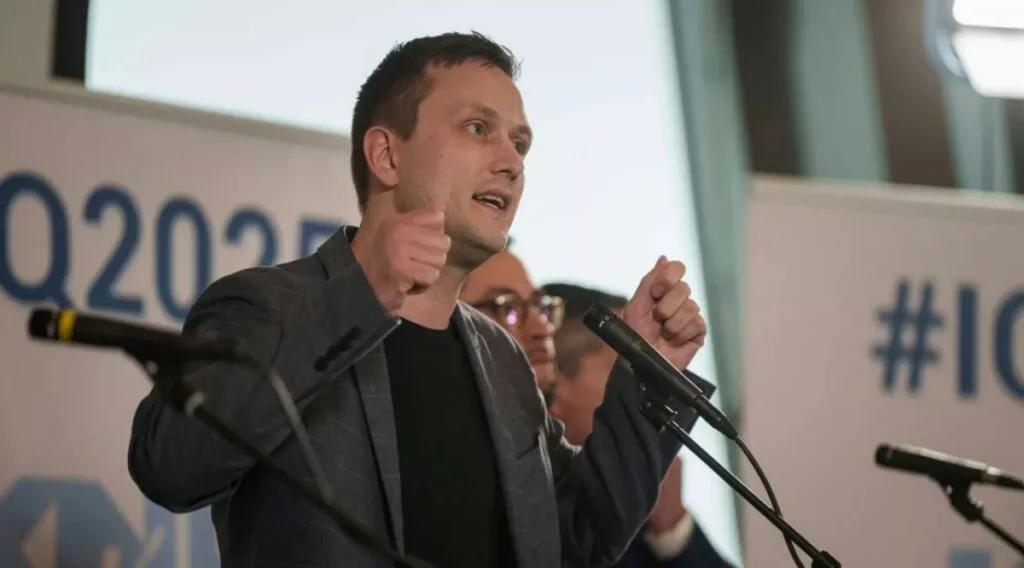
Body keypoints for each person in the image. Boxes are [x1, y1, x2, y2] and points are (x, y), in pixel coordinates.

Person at [127, 32, 709, 568]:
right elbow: (170, 467)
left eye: (520, 144)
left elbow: (580, 535)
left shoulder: (503, 360)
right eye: (477, 128)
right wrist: (360, 298)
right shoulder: (266, 304)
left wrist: (650, 372)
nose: (511, 162)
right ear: (386, 156)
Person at [461, 252, 733, 567]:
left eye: (540, 306)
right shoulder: (479, 475)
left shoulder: (613, 497)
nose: (540, 327)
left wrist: (672, 530)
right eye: (505, 308)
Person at [543, 282, 736, 567]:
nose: (647, 385)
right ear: (555, 382)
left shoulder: (631, 489)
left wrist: (671, 529)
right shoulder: (539, 508)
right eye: (623, 367)